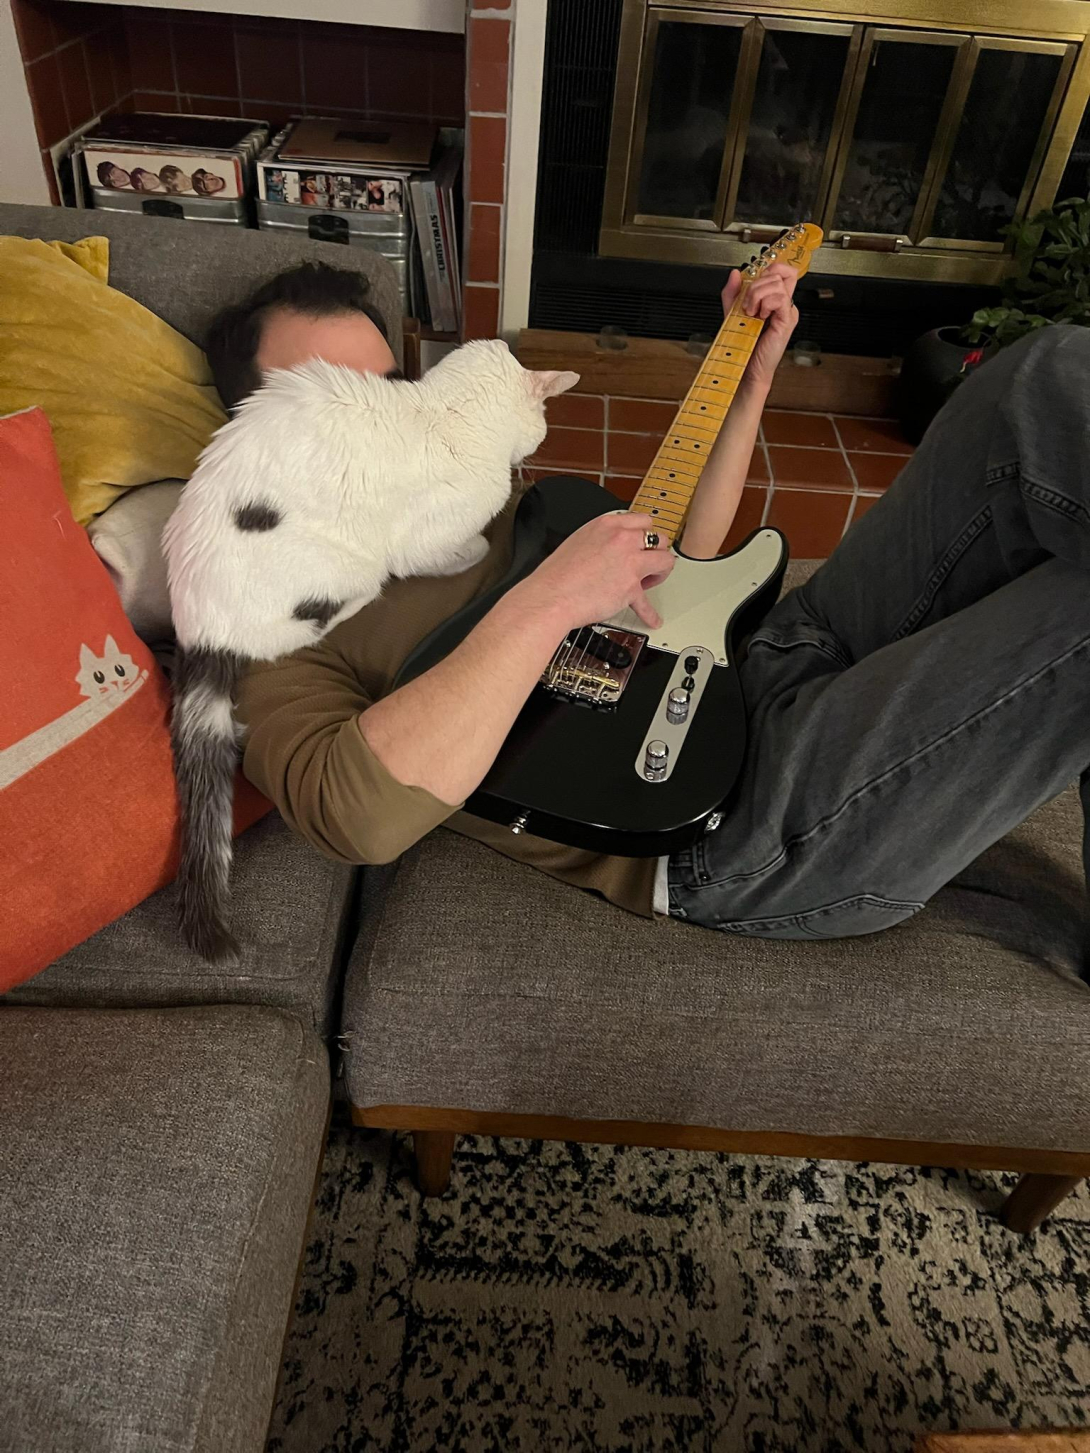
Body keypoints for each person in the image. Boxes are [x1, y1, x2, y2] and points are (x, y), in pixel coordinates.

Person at [206, 260, 1090, 942]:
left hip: (773, 655)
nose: (385, 424)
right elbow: (359, 817)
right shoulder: (270, 628)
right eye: (332, 404)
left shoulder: (473, 495)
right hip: (731, 825)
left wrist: (748, 382)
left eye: (390, 389)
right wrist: (547, 600)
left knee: (1037, 375)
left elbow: (673, 563)